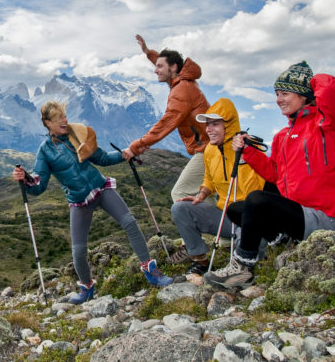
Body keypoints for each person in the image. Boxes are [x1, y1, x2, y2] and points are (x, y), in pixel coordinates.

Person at [13, 101, 173, 304]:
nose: (65, 120)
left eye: (64, 115)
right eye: (58, 118)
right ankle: (87, 288)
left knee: (130, 222)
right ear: (47, 123)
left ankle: (151, 271)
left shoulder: (77, 133)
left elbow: (103, 158)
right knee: (78, 251)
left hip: (100, 188)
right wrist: (25, 178)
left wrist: (126, 154)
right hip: (79, 201)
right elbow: (39, 185)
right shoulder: (45, 151)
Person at [204, 62, 335, 290]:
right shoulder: (283, 136)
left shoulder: (325, 125)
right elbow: (274, 174)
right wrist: (248, 151)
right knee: (236, 209)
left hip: (324, 218)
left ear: (304, 95)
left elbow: (331, 90)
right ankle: (280, 241)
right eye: (277, 94)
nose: (279, 99)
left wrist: (310, 81)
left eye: (285, 93)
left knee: (257, 200)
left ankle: (242, 268)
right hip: (296, 216)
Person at [169, 98, 265, 275]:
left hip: (249, 219)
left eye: (214, 124)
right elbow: (209, 179)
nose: (208, 130)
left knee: (253, 256)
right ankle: (200, 260)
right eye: (207, 125)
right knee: (180, 208)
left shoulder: (250, 148)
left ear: (228, 126)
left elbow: (256, 191)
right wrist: (203, 193)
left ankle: (246, 266)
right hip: (225, 217)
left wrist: (243, 158)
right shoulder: (210, 150)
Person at [122, 35, 210, 203]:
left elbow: (165, 124)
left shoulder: (181, 90)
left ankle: (202, 227)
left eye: (160, 66)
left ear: (174, 67)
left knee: (180, 193)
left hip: (208, 150)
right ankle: (220, 227)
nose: (156, 70)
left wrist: (135, 146)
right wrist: (148, 52)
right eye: (156, 66)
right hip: (210, 147)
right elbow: (164, 65)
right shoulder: (182, 80)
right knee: (206, 198)